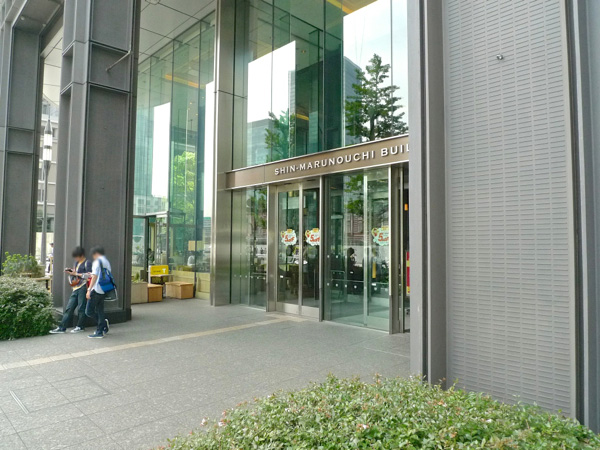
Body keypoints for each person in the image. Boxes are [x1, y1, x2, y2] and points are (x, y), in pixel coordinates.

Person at [49, 247, 92, 334]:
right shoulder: (76, 263)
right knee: (69, 308)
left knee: (81, 308)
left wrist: (76, 273)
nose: (75, 258)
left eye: (77, 256)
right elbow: (75, 273)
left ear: (82, 255)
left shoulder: (88, 263)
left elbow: (90, 276)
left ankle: (80, 326)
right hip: (75, 288)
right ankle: (62, 327)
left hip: (83, 287)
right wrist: (71, 272)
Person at [86, 246, 112, 338]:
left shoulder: (97, 262)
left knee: (89, 311)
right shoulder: (106, 261)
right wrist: (93, 274)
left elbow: (95, 276)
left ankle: (102, 324)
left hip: (96, 289)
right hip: (104, 289)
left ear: (96, 253)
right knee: (100, 310)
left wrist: (89, 290)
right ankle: (100, 330)